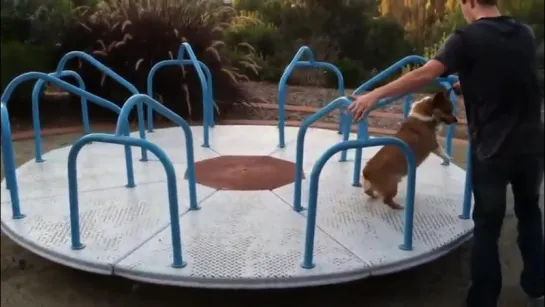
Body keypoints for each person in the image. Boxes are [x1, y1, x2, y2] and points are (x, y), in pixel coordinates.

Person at [348, 0, 544, 306]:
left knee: (487, 227)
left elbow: (424, 75)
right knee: (530, 214)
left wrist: (375, 94)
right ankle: (536, 285)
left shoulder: (466, 39)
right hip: (532, 146)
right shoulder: (524, 33)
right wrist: (463, 79)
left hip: (493, 149)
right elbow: (504, 75)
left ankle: (482, 300)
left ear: (469, 2)